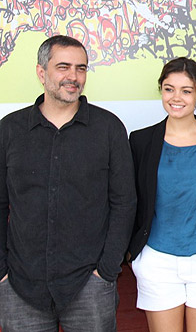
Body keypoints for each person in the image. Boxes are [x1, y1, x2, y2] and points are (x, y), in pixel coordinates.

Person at [0, 35, 136, 331]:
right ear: (41, 72)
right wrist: (2, 271)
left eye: (81, 68)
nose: (73, 76)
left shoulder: (108, 128)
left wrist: (107, 270)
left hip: (89, 284)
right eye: (63, 67)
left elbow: (124, 203)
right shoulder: (10, 129)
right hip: (21, 284)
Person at [128, 57, 196, 332]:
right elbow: (130, 198)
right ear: (161, 90)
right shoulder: (140, 141)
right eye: (168, 88)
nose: (176, 97)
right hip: (157, 261)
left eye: (186, 90)